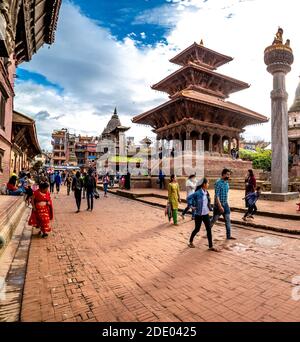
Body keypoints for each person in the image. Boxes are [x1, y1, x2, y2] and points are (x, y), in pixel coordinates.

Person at [187, 178, 219, 251]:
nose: (208, 184)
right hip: (198, 214)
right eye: (207, 183)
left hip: (206, 214)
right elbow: (189, 198)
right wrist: (191, 206)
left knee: (209, 229)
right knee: (197, 229)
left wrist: (211, 208)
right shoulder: (198, 193)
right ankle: (190, 241)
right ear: (204, 184)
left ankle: (210, 246)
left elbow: (208, 202)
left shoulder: (206, 192)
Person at [210, 169, 236, 240]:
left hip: (225, 204)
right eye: (227, 174)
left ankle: (228, 236)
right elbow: (216, 196)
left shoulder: (226, 183)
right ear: (223, 174)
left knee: (227, 220)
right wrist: (220, 206)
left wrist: (225, 205)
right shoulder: (218, 183)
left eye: (229, 174)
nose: (229, 176)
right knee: (214, 220)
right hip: (218, 205)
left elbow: (226, 194)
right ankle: (208, 231)